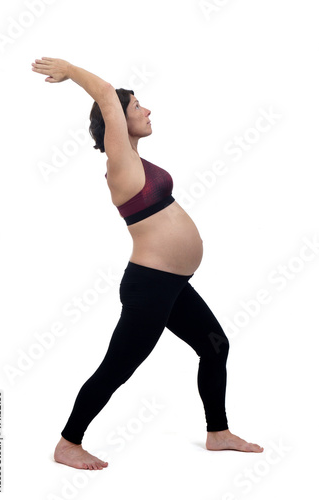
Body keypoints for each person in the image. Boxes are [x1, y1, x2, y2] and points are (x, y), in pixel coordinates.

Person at [31, 57, 264, 470]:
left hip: (171, 284)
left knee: (215, 346)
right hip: (150, 285)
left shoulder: (140, 162)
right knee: (118, 367)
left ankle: (218, 432)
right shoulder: (119, 162)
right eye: (137, 105)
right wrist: (69, 69)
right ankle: (68, 443)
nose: (147, 110)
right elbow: (105, 94)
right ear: (117, 121)